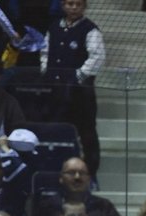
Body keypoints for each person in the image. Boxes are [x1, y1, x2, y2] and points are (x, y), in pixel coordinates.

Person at [40, 0, 104, 179]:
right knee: (57, 131)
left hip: (81, 94)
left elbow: (97, 57)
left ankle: (91, 173)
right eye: (69, 3)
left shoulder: (90, 29)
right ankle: (58, 171)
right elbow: (45, 52)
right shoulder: (53, 28)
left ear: (84, 6)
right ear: (63, 6)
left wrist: (78, 76)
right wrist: (47, 72)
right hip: (55, 92)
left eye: (78, 4)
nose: (73, 8)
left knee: (87, 133)